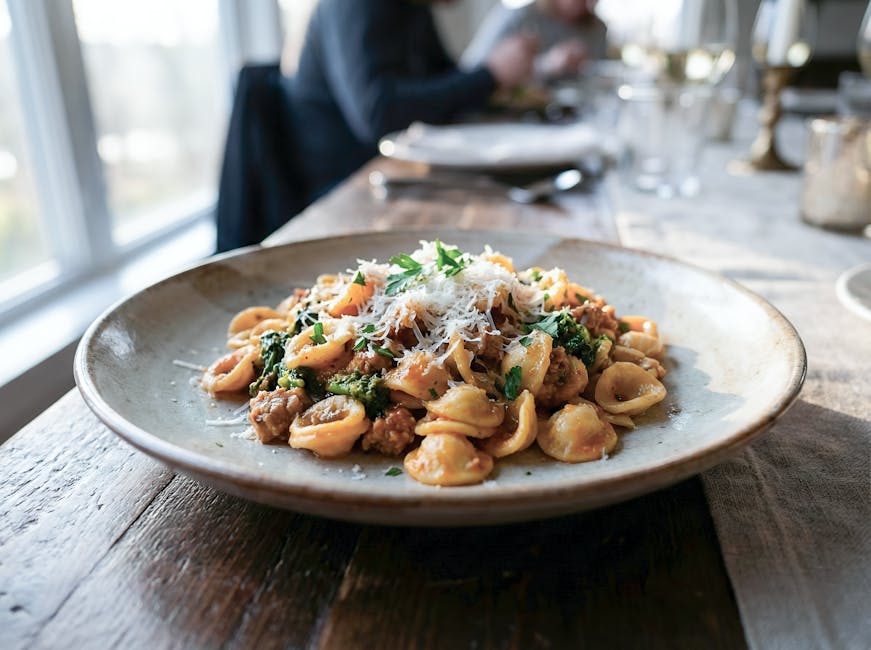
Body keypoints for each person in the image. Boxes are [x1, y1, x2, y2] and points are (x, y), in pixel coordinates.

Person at [287, 0, 538, 202]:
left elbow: (445, 82)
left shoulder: (415, 7)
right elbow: (378, 115)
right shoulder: (356, 5)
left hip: (403, 175)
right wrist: (489, 75)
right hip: (345, 189)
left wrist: (495, 79)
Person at [461, 0, 606, 81]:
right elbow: (470, 68)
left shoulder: (597, 28)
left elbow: (599, 74)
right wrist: (547, 64)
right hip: (512, 111)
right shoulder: (519, 16)